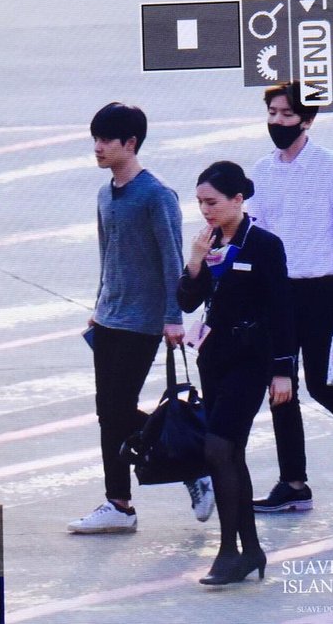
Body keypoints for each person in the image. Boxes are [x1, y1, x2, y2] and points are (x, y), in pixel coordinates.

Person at [67, 102, 214, 534]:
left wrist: (173, 317)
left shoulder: (156, 195)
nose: (97, 147)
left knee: (115, 410)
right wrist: (99, 305)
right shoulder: (104, 194)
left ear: (130, 143)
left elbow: (171, 258)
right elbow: (107, 254)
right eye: (94, 139)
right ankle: (120, 503)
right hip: (110, 317)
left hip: (144, 321)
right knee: (108, 413)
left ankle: (191, 465)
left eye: (105, 140)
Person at [248, 81, 333, 513]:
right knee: (280, 386)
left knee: (322, 383)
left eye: (286, 114)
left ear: (307, 120)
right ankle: (293, 483)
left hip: (320, 289)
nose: (277, 121)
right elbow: (255, 231)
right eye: (272, 113)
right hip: (276, 291)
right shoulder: (262, 170)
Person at [177, 160, 295, 585]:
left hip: (251, 360)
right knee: (230, 454)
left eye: (212, 202)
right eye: (200, 203)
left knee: (218, 448)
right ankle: (250, 551)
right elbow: (188, 301)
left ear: (238, 199)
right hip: (214, 359)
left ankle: (229, 551)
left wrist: (283, 370)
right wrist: (195, 262)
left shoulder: (264, 244)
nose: (205, 210)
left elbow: (282, 310)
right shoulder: (207, 242)